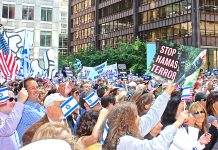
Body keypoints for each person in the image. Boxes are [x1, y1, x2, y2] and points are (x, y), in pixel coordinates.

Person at [103, 101, 188, 150]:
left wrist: (166, 93)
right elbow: (154, 147)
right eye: (136, 116)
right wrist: (178, 122)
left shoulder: (124, 134)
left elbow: (151, 117)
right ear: (127, 121)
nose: (139, 118)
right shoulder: (124, 141)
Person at [17, 77, 46, 141]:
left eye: (37, 87)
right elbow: (50, 122)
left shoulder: (38, 106)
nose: (37, 90)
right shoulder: (24, 109)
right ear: (24, 92)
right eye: (32, 88)